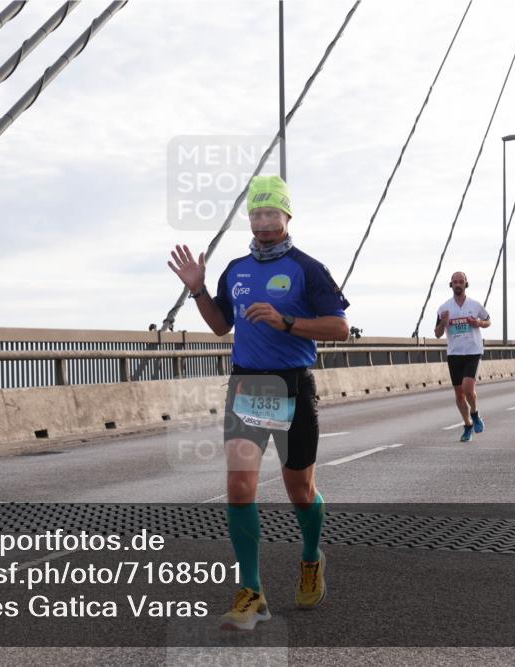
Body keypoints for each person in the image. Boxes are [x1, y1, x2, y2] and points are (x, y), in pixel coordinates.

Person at [168, 175, 350, 631]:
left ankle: (311, 557)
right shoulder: (237, 270)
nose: (264, 221)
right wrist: (198, 290)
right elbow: (219, 327)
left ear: (288, 217)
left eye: (273, 213)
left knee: (300, 492)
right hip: (248, 387)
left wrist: (287, 321)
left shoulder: (309, 269)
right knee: (240, 489)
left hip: (292, 385)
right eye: (256, 213)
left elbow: (339, 328)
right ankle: (252, 591)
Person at [434, 271, 490, 442]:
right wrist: (443, 322)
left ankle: (475, 414)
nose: (458, 284)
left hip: (473, 351)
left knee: (468, 389)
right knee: (459, 396)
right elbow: (437, 334)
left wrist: (478, 323)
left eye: (461, 281)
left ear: (466, 284)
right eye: (455, 282)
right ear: (451, 285)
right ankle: (468, 425)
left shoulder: (475, 305)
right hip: (454, 353)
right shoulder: (444, 308)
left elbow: (488, 321)